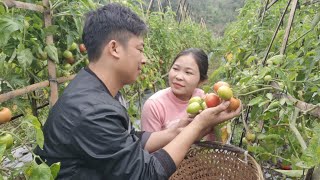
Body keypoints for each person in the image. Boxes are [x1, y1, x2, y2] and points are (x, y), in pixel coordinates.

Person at [35, 3, 241, 180]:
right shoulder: (92, 111)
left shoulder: (97, 91)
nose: (144, 59)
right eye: (140, 49)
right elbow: (146, 174)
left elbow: (129, 139)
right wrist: (198, 126)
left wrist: (176, 130)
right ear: (114, 48)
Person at [141, 48, 210, 132]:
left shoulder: (203, 99)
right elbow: (149, 144)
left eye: (188, 72)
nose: (178, 77)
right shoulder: (154, 106)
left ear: (201, 81)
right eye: (176, 69)